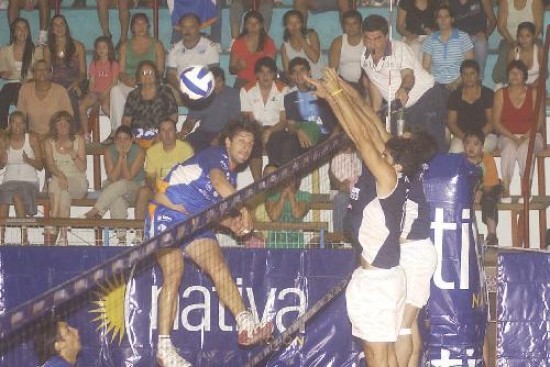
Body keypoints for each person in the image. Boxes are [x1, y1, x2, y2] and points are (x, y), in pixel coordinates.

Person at [307, 68, 426, 367]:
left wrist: (335, 94)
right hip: (380, 276)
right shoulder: (393, 174)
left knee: (378, 357)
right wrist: (334, 96)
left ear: (397, 166)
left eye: (386, 156)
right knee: (379, 355)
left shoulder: (388, 177)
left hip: (380, 280)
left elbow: (361, 136)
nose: (379, 155)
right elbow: (362, 125)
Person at [145, 119, 273, 366]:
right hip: (167, 212)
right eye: (241, 141)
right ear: (228, 142)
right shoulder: (217, 156)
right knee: (174, 273)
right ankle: (164, 348)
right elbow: (217, 183)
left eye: (250, 143)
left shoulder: (232, 180)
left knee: (218, 266)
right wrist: (243, 207)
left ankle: (245, 323)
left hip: (195, 222)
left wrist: (231, 224)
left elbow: (214, 213)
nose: (246, 147)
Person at [361, 14, 448, 153]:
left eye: (377, 39)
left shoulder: (399, 49)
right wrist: (376, 113)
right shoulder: (364, 59)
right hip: (398, 107)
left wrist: (403, 89)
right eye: (368, 39)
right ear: (363, 37)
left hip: (427, 97)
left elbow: (408, 76)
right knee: (402, 151)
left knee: (433, 148)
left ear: (386, 36)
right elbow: (375, 83)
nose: (372, 44)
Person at [107, 13, 165, 145]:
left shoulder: (157, 45)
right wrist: (127, 79)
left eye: (143, 23)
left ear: (148, 26)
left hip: (150, 84)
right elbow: (121, 72)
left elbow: (160, 71)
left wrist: (145, 82)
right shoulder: (124, 46)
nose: (140, 27)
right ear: (132, 28)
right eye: (137, 24)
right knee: (116, 91)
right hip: (131, 83)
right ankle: (117, 131)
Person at [267, 57, 336, 167]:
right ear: (291, 76)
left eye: (302, 70)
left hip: (326, 136)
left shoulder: (322, 90)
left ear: (309, 72)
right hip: (305, 136)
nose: (298, 74)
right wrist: (299, 131)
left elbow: (337, 119)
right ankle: (285, 179)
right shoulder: (290, 97)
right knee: (281, 141)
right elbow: (291, 125)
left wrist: (334, 138)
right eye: (294, 72)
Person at [134, 117, 193, 243]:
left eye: (170, 130)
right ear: (159, 133)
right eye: (163, 130)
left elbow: (190, 177)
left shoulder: (186, 149)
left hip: (178, 191)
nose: (167, 134)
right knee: (143, 192)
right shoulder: (152, 151)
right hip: (158, 191)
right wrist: (154, 188)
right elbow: (149, 176)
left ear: (175, 132)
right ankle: (139, 234)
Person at [83, 125, 145, 243]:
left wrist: (124, 157)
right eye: (119, 139)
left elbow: (128, 177)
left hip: (136, 189)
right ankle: (121, 238)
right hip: (115, 188)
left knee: (122, 184)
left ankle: (97, 210)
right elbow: (113, 177)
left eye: (126, 139)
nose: (122, 142)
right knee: (117, 199)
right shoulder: (109, 150)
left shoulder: (139, 151)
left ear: (132, 140)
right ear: (115, 140)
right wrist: (121, 158)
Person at [493, 60, 543, 202]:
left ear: (525, 76)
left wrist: (526, 136)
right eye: (511, 73)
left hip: (532, 135)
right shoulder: (500, 94)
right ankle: (506, 189)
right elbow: (496, 123)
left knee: (525, 149)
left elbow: (538, 123)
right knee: (509, 148)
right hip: (507, 135)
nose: (514, 75)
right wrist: (514, 138)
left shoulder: (533, 93)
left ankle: (525, 189)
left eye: (518, 72)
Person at [43, 111, 88, 246]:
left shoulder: (78, 139)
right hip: (59, 180)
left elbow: (82, 168)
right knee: (61, 192)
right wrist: (61, 175)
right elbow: (50, 165)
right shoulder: (48, 142)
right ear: (54, 125)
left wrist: (72, 153)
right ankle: (63, 237)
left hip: (77, 182)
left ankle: (53, 219)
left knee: (56, 184)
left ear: (70, 125)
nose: (63, 124)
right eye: (59, 121)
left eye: (66, 121)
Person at [240, 56, 288, 181]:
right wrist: (260, 131)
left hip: (276, 128)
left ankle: (273, 181)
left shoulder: (283, 89)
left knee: (276, 140)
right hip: (255, 127)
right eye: (262, 72)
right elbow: (248, 119)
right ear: (256, 74)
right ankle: (258, 184)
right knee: (253, 140)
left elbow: (283, 121)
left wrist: (270, 131)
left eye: (269, 72)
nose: (265, 76)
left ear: (274, 75)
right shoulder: (246, 90)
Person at [0, 111, 43, 245]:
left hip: (29, 180)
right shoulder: (4, 140)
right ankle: (1, 237)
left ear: (25, 125)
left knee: (17, 196)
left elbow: (41, 165)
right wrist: (2, 160)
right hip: (9, 180)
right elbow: (1, 166)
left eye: (21, 123)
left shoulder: (32, 138)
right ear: (10, 124)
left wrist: (28, 160)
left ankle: (24, 236)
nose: (18, 126)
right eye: (14, 123)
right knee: (4, 197)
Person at [180, 66, 240, 153]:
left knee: (214, 148)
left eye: (219, 81)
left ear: (224, 81)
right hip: (203, 132)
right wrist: (184, 130)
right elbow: (191, 120)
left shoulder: (233, 94)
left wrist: (220, 137)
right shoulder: (201, 95)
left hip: (224, 133)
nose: (216, 85)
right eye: (213, 81)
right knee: (185, 145)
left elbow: (233, 122)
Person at [43, 14, 87, 131]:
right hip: (56, 84)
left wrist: (76, 84)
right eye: (55, 25)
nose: (59, 27)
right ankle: (52, 132)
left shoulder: (78, 46)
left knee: (71, 96)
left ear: (66, 26)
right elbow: (47, 72)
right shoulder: (47, 49)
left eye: (62, 24)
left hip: (75, 82)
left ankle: (76, 131)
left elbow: (83, 73)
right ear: (52, 29)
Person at [165, 13, 221, 104]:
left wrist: (197, 87)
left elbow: (214, 72)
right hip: (181, 89)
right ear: (180, 28)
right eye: (184, 27)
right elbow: (171, 74)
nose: (187, 30)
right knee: (165, 91)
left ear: (199, 27)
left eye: (191, 27)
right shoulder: (174, 49)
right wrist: (182, 89)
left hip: (203, 87)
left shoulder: (210, 47)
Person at [121, 60, 178, 149]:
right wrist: (132, 136)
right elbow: (126, 120)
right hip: (137, 136)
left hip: (160, 136)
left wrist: (162, 133)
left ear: (156, 75)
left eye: (150, 72)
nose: (147, 75)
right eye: (143, 73)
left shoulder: (165, 92)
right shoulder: (133, 95)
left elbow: (173, 116)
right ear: (139, 78)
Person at [0, 18, 42, 130]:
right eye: (18, 28)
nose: (22, 31)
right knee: (5, 92)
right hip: (12, 85)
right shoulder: (5, 51)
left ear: (28, 31)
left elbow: (41, 73)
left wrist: (29, 81)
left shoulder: (37, 50)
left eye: (25, 28)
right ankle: (2, 129)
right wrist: (3, 73)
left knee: (24, 92)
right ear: (13, 32)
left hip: (30, 84)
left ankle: (28, 130)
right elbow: (2, 71)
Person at [447, 59, 497, 153]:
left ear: (478, 75)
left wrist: (477, 137)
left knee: (477, 149)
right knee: (455, 150)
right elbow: (451, 122)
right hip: (462, 136)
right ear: (461, 76)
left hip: (485, 135)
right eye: (465, 74)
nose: (469, 77)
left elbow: (491, 122)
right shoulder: (454, 96)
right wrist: (465, 138)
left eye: (472, 73)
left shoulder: (488, 94)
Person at [422, 5, 474, 94]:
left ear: (452, 19)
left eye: (446, 16)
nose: (443, 20)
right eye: (440, 17)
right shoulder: (430, 39)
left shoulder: (463, 37)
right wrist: (431, 84)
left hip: (459, 83)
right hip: (436, 85)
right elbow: (425, 67)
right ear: (436, 20)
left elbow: (470, 66)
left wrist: (457, 82)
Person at [463, 129, 502, 247]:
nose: (471, 147)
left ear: (482, 146)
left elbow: (490, 184)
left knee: (489, 201)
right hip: (470, 189)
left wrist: (479, 191)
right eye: (468, 143)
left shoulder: (487, 159)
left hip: (489, 188)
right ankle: (467, 234)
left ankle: (492, 235)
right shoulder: (460, 160)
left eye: (476, 144)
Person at [17, 59, 73, 139]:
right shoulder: (25, 89)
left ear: (50, 74)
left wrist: (52, 134)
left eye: (45, 69)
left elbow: (69, 116)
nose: (42, 72)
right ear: (33, 74)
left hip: (55, 136)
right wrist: (27, 134)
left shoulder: (60, 91)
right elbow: (21, 116)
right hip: (33, 137)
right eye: (38, 69)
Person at [78, 36, 119, 142]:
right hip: (96, 92)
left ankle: (118, 129)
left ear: (109, 49)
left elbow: (114, 82)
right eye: (99, 47)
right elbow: (92, 81)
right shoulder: (94, 64)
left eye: (104, 47)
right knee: (82, 106)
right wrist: (92, 93)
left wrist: (104, 94)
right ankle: (86, 133)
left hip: (109, 91)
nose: (101, 50)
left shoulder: (113, 64)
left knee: (105, 107)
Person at [492, 0, 543, 85]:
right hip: (509, 39)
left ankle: (538, 81)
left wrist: (531, 40)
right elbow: (501, 26)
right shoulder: (505, 2)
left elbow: (538, 24)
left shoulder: (535, 1)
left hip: (533, 38)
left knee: (540, 51)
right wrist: (512, 42)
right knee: (505, 54)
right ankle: (504, 85)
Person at [264, 165, 311, 248]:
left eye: (291, 178)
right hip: (275, 244)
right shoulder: (272, 195)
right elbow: (274, 216)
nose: (287, 181)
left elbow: (297, 214)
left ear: (296, 179)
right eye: (285, 177)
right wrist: (283, 195)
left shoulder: (304, 195)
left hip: (295, 244)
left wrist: (290, 194)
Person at [229, 10, 277, 89]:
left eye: (256, 23)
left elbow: (272, 69)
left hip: (262, 81)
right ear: (245, 25)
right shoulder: (238, 43)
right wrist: (238, 67)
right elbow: (231, 69)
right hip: (242, 81)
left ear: (261, 25)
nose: (253, 26)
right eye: (249, 23)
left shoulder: (269, 43)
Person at [449, 0, 496, 77]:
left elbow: (493, 20)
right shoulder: (450, 2)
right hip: (460, 38)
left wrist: (486, 34)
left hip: (478, 37)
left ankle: (479, 78)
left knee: (481, 43)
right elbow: (446, 22)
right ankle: (459, 80)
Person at [280, 10, 323, 79]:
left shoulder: (312, 35)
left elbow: (315, 59)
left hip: (319, 80)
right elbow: (288, 72)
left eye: (297, 22)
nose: (294, 26)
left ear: (302, 24)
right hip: (300, 84)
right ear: (286, 25)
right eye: (290, 23)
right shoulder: (285, 46)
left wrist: (302, 40)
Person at [328, 10, 365, 90]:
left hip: (366, 85)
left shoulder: (367, 40)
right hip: (344, 84)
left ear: (361, 25)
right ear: (343, 25)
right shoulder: (338, 42)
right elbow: (332, 70)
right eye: (347, 23)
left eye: (354, 23)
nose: (350, 27)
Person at [507, 21, 542, 87]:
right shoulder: (513, 53)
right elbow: (510, 77)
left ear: (533, 36)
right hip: (518, 88)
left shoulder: (539, 51)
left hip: (536, 87)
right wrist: (523, 89)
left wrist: (531, 88)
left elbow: (543, 75)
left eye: (527, 35)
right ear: (517, 37)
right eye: (521, 36)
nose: (524, 39)